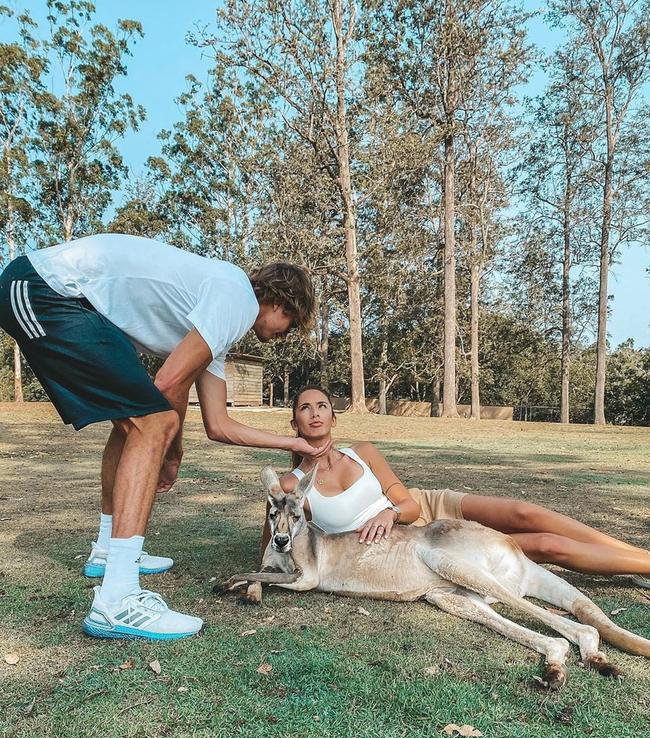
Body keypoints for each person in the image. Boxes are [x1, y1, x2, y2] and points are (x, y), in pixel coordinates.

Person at [0, 234, 330, 640]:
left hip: (64, 298)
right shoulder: (237, 300)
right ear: (282, 302)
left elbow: (218, 424)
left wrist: (293, 444)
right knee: (150, 423)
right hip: (43, 288)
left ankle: (108, 550)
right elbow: (169, 382)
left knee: (137, 421)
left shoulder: (219, 321)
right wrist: (172, 451)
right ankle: (117, 600)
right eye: (291, 324)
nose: (286, 334)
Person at [261, 385, 650, 586]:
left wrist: (388, 510)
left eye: (322, 406)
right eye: (304, 408)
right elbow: (271, 547)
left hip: (424, 509)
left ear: (334, 417)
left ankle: (635, 557)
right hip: (417, 544)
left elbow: (408, 505)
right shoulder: (291, 487)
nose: (314, 414)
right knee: (546, 547)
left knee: (525, 513)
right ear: (293, 423)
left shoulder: (362, 451)